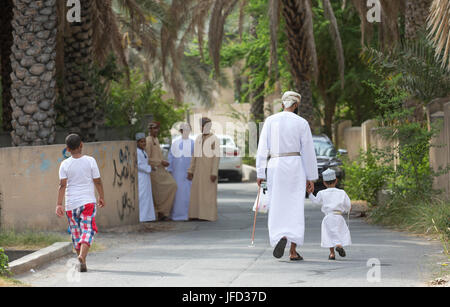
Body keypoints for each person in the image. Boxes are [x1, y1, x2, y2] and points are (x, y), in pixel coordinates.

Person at [256, 91, 318, 261]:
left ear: (282, 104)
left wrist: (260, 172)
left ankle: (280, 236)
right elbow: (308, 151)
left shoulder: (270, 121)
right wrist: (311, 177)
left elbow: (262, 148)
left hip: (275, 165)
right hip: (295, 165)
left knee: (277, 204)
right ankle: (293, 250)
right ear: (296, 105)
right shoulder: (302, 122)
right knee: (295, 205)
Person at [56, 134, 106, 272]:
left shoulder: (64, 164)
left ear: (67, 149)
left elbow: (62, 186)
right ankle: (82, 257)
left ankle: (81, 260)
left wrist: (59, 204)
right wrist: (101, 196)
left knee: (76, 233)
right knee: (87, 230)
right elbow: (97, 181)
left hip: (71, 205)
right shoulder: (90, 161)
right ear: (81, 145)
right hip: (88, 203)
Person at [309, 169, 352, 260]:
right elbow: (348, 205)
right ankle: (339, 245)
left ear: (324, 183)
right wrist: (345, 210)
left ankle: (332, 253)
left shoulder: (322, 193)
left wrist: (310, 193)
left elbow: (316, 201)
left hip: (328, 217)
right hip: (339, 216)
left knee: (329, 234)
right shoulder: (342, 193)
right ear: (336, 180)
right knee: (339, 232)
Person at [187, 118, 221, 221]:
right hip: (198, 171)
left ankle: (208, 216)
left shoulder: (215, 139)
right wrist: (190, 170)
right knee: (196, 193)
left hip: (209, 171)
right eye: (202, 126)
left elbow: (216, 157)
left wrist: (214, 172)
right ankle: (195, 214)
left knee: (208, 194)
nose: (203, 128)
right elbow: (194, 156)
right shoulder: (198, 138)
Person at [146, 122, 177, 221]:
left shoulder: (156, 139)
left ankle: (163, 212)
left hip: (161, 169)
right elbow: (147, 158)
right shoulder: (148, 140)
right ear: (150, 130)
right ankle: (160, 212)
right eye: (154, 129)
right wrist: (160, 161)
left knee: (172, 185)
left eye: (157, 128)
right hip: (153, 170)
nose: (156, 130)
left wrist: (163, 162)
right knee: (160, 191)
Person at [167, 123, 195, 221]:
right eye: (184, 130)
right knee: (178, 193)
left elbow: (195, 159)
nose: (186, 132)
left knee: (188, 193)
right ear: (180, 131)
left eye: (188, 129)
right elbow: (170, 157)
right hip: (177, 173)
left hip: (189, 173)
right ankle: (176, 215)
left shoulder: (193, 143)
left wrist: (192, 171)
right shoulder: (175, 143)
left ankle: (189, 214)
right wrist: (169, 171)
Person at [136, 132, 156, 223]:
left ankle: (148, 217)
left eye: (144, 142)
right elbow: (139, 165)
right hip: (141, 177)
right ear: (137, 143)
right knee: (142, 196)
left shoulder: (143, 151)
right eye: (141, 142)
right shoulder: (137, 152)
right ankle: (142, 217)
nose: (143, 143)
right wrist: (149, 168)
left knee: (147, 196)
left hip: (146, 176)